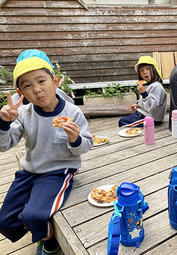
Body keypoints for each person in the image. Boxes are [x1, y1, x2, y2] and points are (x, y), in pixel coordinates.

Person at [0, 50, 93, 255]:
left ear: (56, 81)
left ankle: (49, 239)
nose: (37, 90)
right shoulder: (24, 114)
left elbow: (87, 145)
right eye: (27, 86)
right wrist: (4, 124)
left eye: (41, 81)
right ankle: (39, 230)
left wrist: (75, 139)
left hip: (57, 172)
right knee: (4, 221)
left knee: (34, 214)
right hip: (30, 171)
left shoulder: (72, 112)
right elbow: (4, 145)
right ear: (21, 93)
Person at [118, 56, 167, 127]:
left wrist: (144, 93)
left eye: (147, 69)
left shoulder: (157, 86)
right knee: (123, 120)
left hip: (151, 119)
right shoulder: (147, 85)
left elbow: (152, 108)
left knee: (122, 122)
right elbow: (147, 103)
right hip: (143, 114)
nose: (145, 72)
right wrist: (138, 104)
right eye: (141, 70)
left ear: (154, 70)